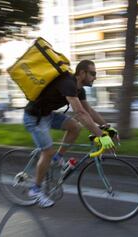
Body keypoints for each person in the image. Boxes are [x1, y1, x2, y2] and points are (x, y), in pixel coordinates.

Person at [23, 60, 116, 208]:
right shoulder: (68, 83)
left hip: (48, 115)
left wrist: (107, 128)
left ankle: (57, 158)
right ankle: (35, 190)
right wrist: (100, 135)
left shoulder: (80, 90)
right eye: (92, 73)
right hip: (34, 118)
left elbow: (89, 112)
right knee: (47, 152)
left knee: (75, 128)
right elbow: (79, 113)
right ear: (81, 73)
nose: (95, 77)